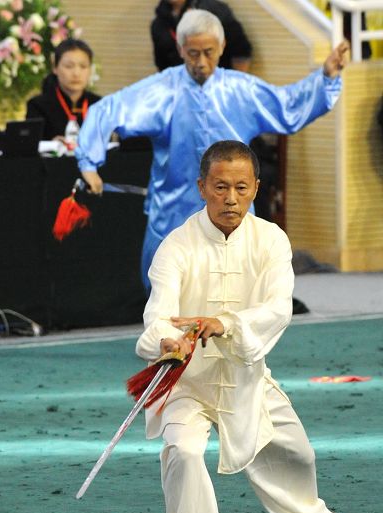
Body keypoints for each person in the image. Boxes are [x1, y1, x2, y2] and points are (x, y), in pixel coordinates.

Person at [135, 140, 372, 513]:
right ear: (202, 186)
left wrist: (223, 323)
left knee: (295, 452)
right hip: (189, 382)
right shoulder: (176, 246)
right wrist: (167, 339)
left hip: (248, 374)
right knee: (183, 454)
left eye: (241, 188)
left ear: (255, 188)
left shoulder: (271, 239)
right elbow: (157, 316)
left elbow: (278, 308)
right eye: (220, 186)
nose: (230, 198)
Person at [76, 9, 349, 294]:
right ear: (181, 49)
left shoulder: (241, 90)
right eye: (193, 53)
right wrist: (89, 163)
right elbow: (106, 111)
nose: (202, 62)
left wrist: (326, 76)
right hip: (173, 212)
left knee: (235, 295)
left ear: (222, 48)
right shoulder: (161, 91)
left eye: (209, 52)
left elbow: (288, 104)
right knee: (168, 295)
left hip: (233, 209)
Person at [26, 39, 101, 142]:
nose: (76, 73)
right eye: (69, 66)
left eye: (83, 66)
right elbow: (32, 146)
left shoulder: (99, 105)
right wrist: (52, 144)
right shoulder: (38, 106)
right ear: (55, 68)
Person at [151, 0, 252, 72]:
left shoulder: (213, 9)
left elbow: (241, 51)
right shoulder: (159, 23)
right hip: (183, 89)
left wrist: (233, 86)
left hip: (218, 83)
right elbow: (162, 63)